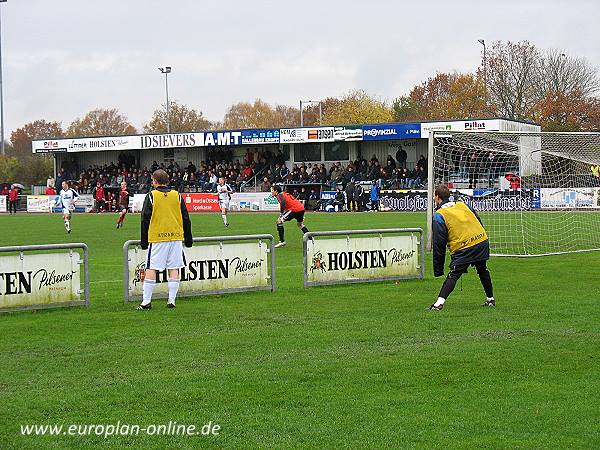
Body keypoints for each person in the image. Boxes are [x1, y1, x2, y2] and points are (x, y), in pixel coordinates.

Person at [430, 184, 495, 311]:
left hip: (464, 247)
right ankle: (490, 299)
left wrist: (438, 269)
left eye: (434, 196)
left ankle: (438, 304)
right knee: (482, 270)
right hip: (481, 241)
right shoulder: (462, 204)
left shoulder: (439, 215)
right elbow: (477, 219)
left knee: (454, 274)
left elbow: (439, 244)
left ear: (437, 197)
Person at [138, 169, 193, 310]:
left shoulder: (151, 196)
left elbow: (145, 219)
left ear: (155, 181)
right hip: (175, 237)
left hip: (158, 237)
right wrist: (188, 238)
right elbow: (186, 218)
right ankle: (171, 301)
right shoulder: (177, 195)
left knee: (151, 268)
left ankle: (146, 302)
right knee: (174, 268)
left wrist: (144, 241)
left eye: (152, 180)